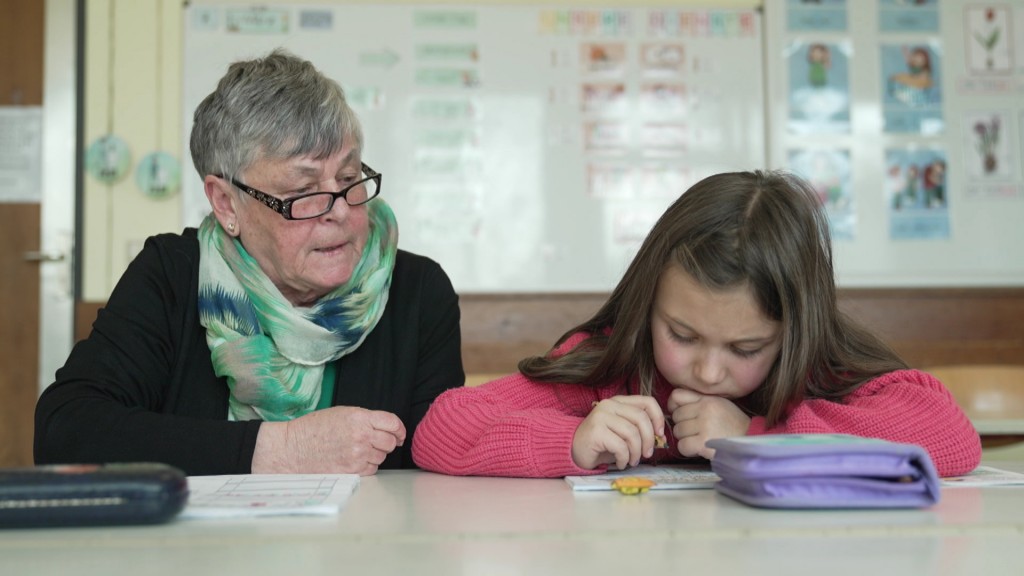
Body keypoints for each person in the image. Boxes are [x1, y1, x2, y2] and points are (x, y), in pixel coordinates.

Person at [35, 49, 464, 476]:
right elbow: (66, 430)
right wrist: (281, 449)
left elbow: (440, 458)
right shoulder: (173, 275)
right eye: (303, 190)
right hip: (199, 544)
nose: (339, 210)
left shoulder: (416, 290)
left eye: (349, 179)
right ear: (226, 204)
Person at [412, 170, 981, 478]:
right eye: (682, 336)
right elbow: (442, 431)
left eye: (746, 346)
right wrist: (576, 441)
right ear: (647, 305)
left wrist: (756, 437)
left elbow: (951, 438)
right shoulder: (610, 369)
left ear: (793, 331)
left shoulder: (817, 367)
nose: (709, 370)